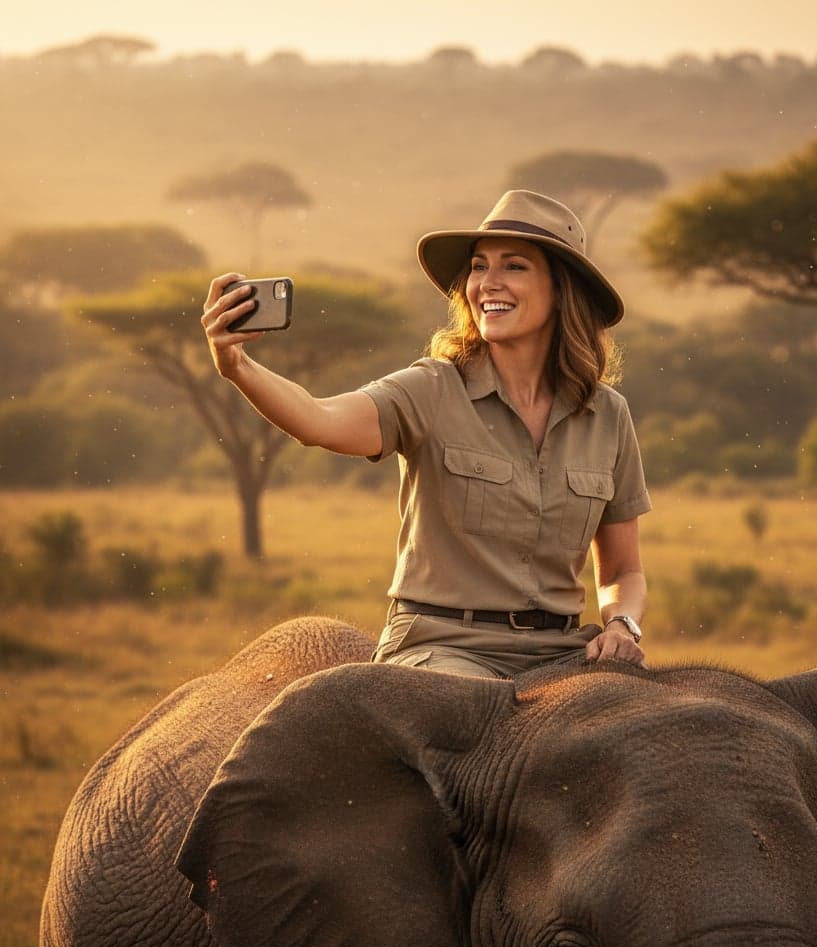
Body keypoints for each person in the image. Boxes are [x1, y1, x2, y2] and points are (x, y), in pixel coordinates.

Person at [201, 190, 651, 678]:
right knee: (464, 715)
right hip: (444, 648)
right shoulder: (431, 388)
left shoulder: (607, 414)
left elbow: (623, 570)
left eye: (514, 267)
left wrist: (622, 625)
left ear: (563, 290)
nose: (487, 283)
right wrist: (237, 365)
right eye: (479, 267)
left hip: (560, 651)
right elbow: (317, 420)